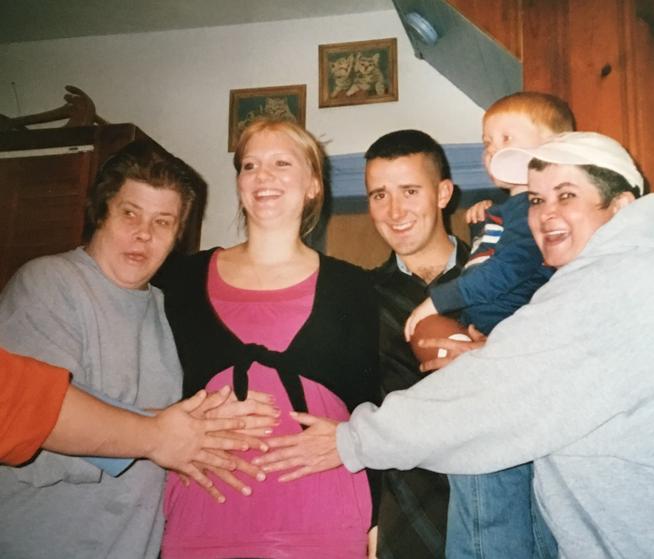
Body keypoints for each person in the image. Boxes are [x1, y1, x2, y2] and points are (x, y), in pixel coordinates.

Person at [260, 131, 654, 558]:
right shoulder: (624, 275)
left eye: (568, 195)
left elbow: (490, 398)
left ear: (621, 206)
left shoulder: (623, 281)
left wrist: (351, 441)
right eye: (536, 199)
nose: (545, 214)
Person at [0, 140, 278, 558]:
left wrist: (200, 427)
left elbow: (149, 428)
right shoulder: (50, 283)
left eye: (163, 222)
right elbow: (37, 418)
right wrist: (162, 434)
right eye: (130, 213)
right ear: (101, 212)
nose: (144, 233)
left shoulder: (167, 309)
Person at [153, 118, 381, 559]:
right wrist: (168, 426)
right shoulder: (178, 278)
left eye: (281, 163)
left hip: (325, 518)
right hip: (203, 516)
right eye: (250, 165)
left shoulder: (355, 287)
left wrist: (377, 525)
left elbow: (374, 405)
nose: (263, 176)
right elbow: (137, 387)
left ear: (313, 184)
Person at [403, 92, 573, 559]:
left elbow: (504, 272)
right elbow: (489, 259)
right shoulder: (509, 211)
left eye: (506, 139)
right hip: (492, 346)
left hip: (509, 350)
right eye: (486, 142)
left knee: (486, 490)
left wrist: (437, 300)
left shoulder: (534, 215)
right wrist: (487, 217)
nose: (492, 151)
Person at [361, 129, 470, 558]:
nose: (394, 212)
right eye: (379, 195)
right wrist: (369, 518)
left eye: (409, 191)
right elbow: (353, 407)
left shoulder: (499, 279)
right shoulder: (359, 296)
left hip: (500, 497)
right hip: (405, 511)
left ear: (443, 193)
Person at [0, 347, 262, 479]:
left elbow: (33, 398)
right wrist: (159, 436)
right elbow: (25, 405)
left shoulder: (166, 301)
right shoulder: (48, 284)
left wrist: (182, 429)